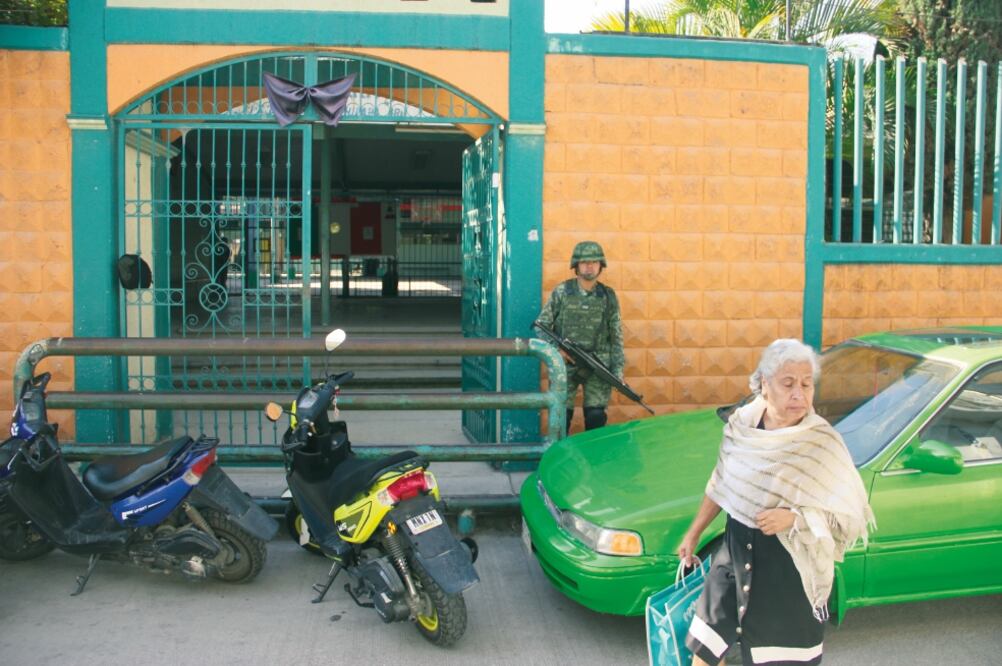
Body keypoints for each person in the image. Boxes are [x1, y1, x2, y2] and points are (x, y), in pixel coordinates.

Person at [678, 339, 874, 666]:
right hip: (735, 558)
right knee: (705, 649)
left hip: (788, 575)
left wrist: (794, 518)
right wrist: (694, 533)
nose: (799, 393)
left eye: (807, 384)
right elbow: (721, 482)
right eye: (788, 383)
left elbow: (847, 516)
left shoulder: (821, 442)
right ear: (764, 385)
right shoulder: (741, 426)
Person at [535, 241, 625, 431]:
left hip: (598, 364)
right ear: (576, 265)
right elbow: (541, 326)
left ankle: (594, 459)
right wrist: (557, 350)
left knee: (596, 417)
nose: (589, 266)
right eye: (584, 262)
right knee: (561, 416)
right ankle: (560, 458)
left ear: (601, 265)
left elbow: (616, 336)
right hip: (565, 365)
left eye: (594, 261)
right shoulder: (562, 292)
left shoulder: (608, 296)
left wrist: (617, 372)